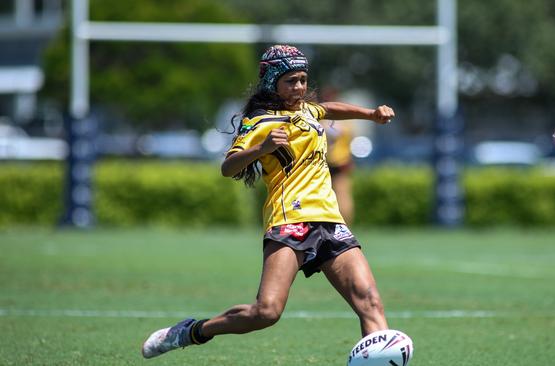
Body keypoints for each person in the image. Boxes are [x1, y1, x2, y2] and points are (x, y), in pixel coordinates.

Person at [141, 44, 395, 359]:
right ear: (272, 81)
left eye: (303, 79)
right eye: (291, 80)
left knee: (370, 302)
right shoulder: (260, 122)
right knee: (267, 312)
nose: (300, 87)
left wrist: (370, 114)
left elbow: (329, 108)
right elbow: (228, 166)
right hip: (289, 221)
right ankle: (193, 331)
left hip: (330, 220)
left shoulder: (308, 110)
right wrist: (260, 149)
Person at [321, 87, 356, 224]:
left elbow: (335, 135)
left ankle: (344, 224)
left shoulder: (331, 119)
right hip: (335, 160)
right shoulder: (346, 120)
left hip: (335, 160)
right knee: (338, 195)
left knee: (342, 195)